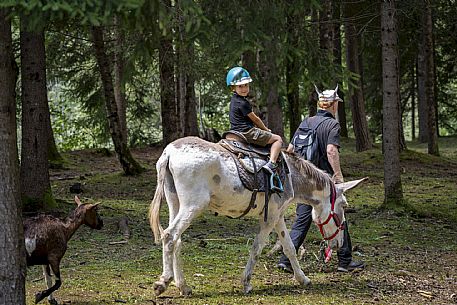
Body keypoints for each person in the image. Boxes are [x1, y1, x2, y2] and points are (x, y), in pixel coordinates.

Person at [277, 85, 365, 273]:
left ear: (319, 104)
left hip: (304, 181)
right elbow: (331, 150)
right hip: (323, 181)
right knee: (338, 213)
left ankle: (285, 259)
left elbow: (291, 150)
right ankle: (345, 261)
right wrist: (338, 176)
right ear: (333, 105)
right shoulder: (332, 124)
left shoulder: (306, 121)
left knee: (302, 218)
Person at [226, 66, 283, 173]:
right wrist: (266, 129)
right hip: (247, 132)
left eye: (246, 85)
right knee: (278, 139)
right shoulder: (243, 103)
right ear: (233, 88)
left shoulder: (234, 100)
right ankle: (272, 163)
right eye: (240, 86)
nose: (244, 89)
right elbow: (256, 120)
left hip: (234, 131)